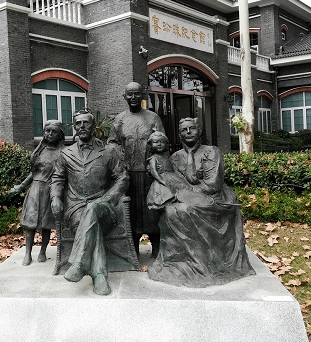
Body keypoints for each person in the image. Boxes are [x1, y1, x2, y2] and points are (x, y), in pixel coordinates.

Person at [148, 117, 256, 287]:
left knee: (186, 209)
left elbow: (213, 183)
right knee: (170, 211)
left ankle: (205, 263)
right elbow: (172, 181)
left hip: (214, 197)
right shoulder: (175, 157)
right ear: (179, 135)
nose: (188, 132)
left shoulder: (211, 152)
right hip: (185, 197)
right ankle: (184, 261)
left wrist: (187, 192)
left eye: (192, 128)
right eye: (184, 130)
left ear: (199, 131)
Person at [51, 111, 129, 296]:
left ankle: (79, 264)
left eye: (86, 123)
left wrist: (108, 198)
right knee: (87, 218)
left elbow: (122, 178)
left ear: (94, 127)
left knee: (93, 209)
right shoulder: (66, 153)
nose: (82, 126)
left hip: (104, 206)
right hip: (76, 207)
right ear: (74, 127)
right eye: (78, 123)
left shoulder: (108, 152)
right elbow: (57, 178)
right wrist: (55, 197)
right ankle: (99, 275)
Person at [108, 81, 165, 257]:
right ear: (125, 97)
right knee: (130, 212)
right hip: (128, 175)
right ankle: (133, 251)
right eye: (130, 94)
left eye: (136, 94)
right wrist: (120, 162)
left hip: (149, 173)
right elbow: (112, 143)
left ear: (143, 95)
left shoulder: (153, 118)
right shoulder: (120, 119)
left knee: (152, 211)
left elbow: (162, 140)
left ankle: (156, 249)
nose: (133, 97)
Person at [10, 120, 65, 266]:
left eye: (54, 131)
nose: (50, 134)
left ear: (60, 135)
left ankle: (43, 251)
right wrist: (21, 186)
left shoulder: (63, 153)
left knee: (46, 224)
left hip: (50, 190)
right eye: (48, 131)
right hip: (35, 189)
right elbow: (33, 173)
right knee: (31, 224)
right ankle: (28, 253)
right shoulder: (40, 151)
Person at [145, 131, 175, 210]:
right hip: (161, 183)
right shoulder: (153, 158)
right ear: (151, 145)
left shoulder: (166, 158)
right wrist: (162, 181)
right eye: (156, 142)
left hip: (172, 179)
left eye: (162, 142)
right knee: (165, 199)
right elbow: (154, 172)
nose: (159, 144)